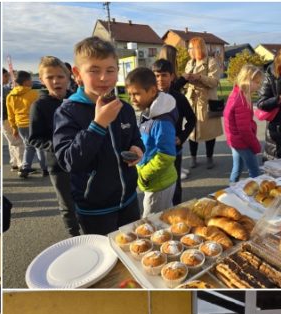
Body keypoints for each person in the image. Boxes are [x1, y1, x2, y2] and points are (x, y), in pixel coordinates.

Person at [54, 37, 143, 235]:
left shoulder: (124, 108)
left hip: (129, 199)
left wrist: (138, 150)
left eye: (110, 70)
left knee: (132, 251)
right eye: (94, 70)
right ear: (77, 74)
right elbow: (69, 161)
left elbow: (135, 138)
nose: (103, 77)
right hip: (94, 210)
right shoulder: (67, 112)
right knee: (105, 261)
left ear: (118, 72)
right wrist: (98, 124)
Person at [27, 56, 79, 236]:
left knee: (85, 198)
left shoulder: (76, 100)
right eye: (50, 77)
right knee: (67, 203)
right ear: (42, 80)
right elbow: (34, 138)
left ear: (68, 77)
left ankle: (89, 231)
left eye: (60, 76)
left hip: (81, 161)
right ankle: (74, 235)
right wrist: (59, 146)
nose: (56, 81)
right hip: (58, 165)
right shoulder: (39, 106)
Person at [126, 67, 178, 217]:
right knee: (166, 217)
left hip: (159, 183)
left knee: (150, 222)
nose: (132, 99)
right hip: (154, 181)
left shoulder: (162, 121)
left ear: (153, 91)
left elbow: (167, 155)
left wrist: (144, 174)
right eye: (130, 94)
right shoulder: (148, 112)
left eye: (136, 94)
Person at [152, 59, 196, 205]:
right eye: (156, 75)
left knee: (175, 183)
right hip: (153, 150)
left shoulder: (179, 98)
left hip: (173, 150)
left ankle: (176, 209)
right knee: (156, 184)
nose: (160, 79)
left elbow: (192, 119)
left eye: (164, 75)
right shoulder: (149, 97)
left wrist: (182, 137)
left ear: (172, 76)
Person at [183, 37, 223, 170]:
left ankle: (209, 157)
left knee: (209, 132)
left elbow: (214, 82)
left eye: (190, 48)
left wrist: (200, 77)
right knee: (191, 131)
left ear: (197, 48)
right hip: (192, 101)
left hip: (207, 101)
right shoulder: (190, 63)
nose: (188, 50)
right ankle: (193, 157)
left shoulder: (211, 62)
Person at [224, 65, 265, 183]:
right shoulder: (241, 100)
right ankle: (256, 197)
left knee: (237, 168)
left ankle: (231, 189)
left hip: (234, 140)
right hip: (242, 142)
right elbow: (244, 130)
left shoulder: (236, 93)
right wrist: (255, 145)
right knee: (255, 172)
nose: (258, 86)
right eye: (256, 82)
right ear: (247, 80)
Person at [7, 70, 45, 179]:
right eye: (30, 80)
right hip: (33, 123)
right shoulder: (34, 94)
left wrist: (14, 128)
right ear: (26, 82)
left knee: (28, 146)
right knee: (39, 146)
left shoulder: (10, 96)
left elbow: (11, 114)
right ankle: (45, 169)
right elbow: (39, 110)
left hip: (21, 125)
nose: (32, 82)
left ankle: (25, 168)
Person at [1, 69, 23, 173]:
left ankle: (14, 163)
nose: (8, 78)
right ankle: (21, 165)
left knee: (11, 142)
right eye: (6, 76)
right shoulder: (4, 89)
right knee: (17, 141)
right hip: (7, 118)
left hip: (4, 119)